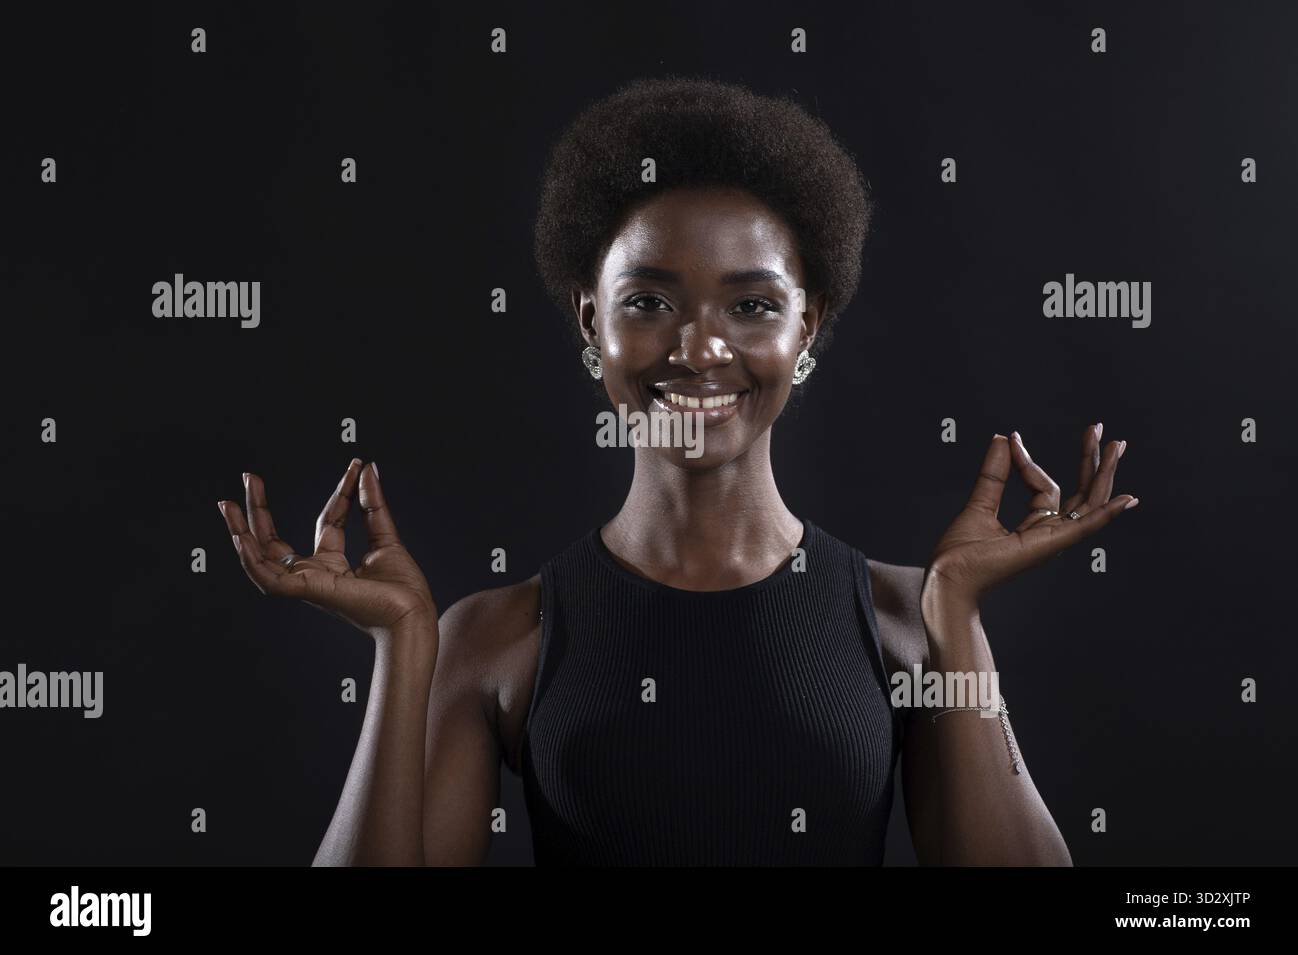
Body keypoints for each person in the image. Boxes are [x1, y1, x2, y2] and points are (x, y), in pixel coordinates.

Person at [216, 76, 1138, 865]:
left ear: (806, 326)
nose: (699, 347)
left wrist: (960, 617)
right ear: (590, 322)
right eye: (650, 300)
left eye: (752, 304)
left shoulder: (906, 621)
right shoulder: (495, 638)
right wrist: (401, 644)